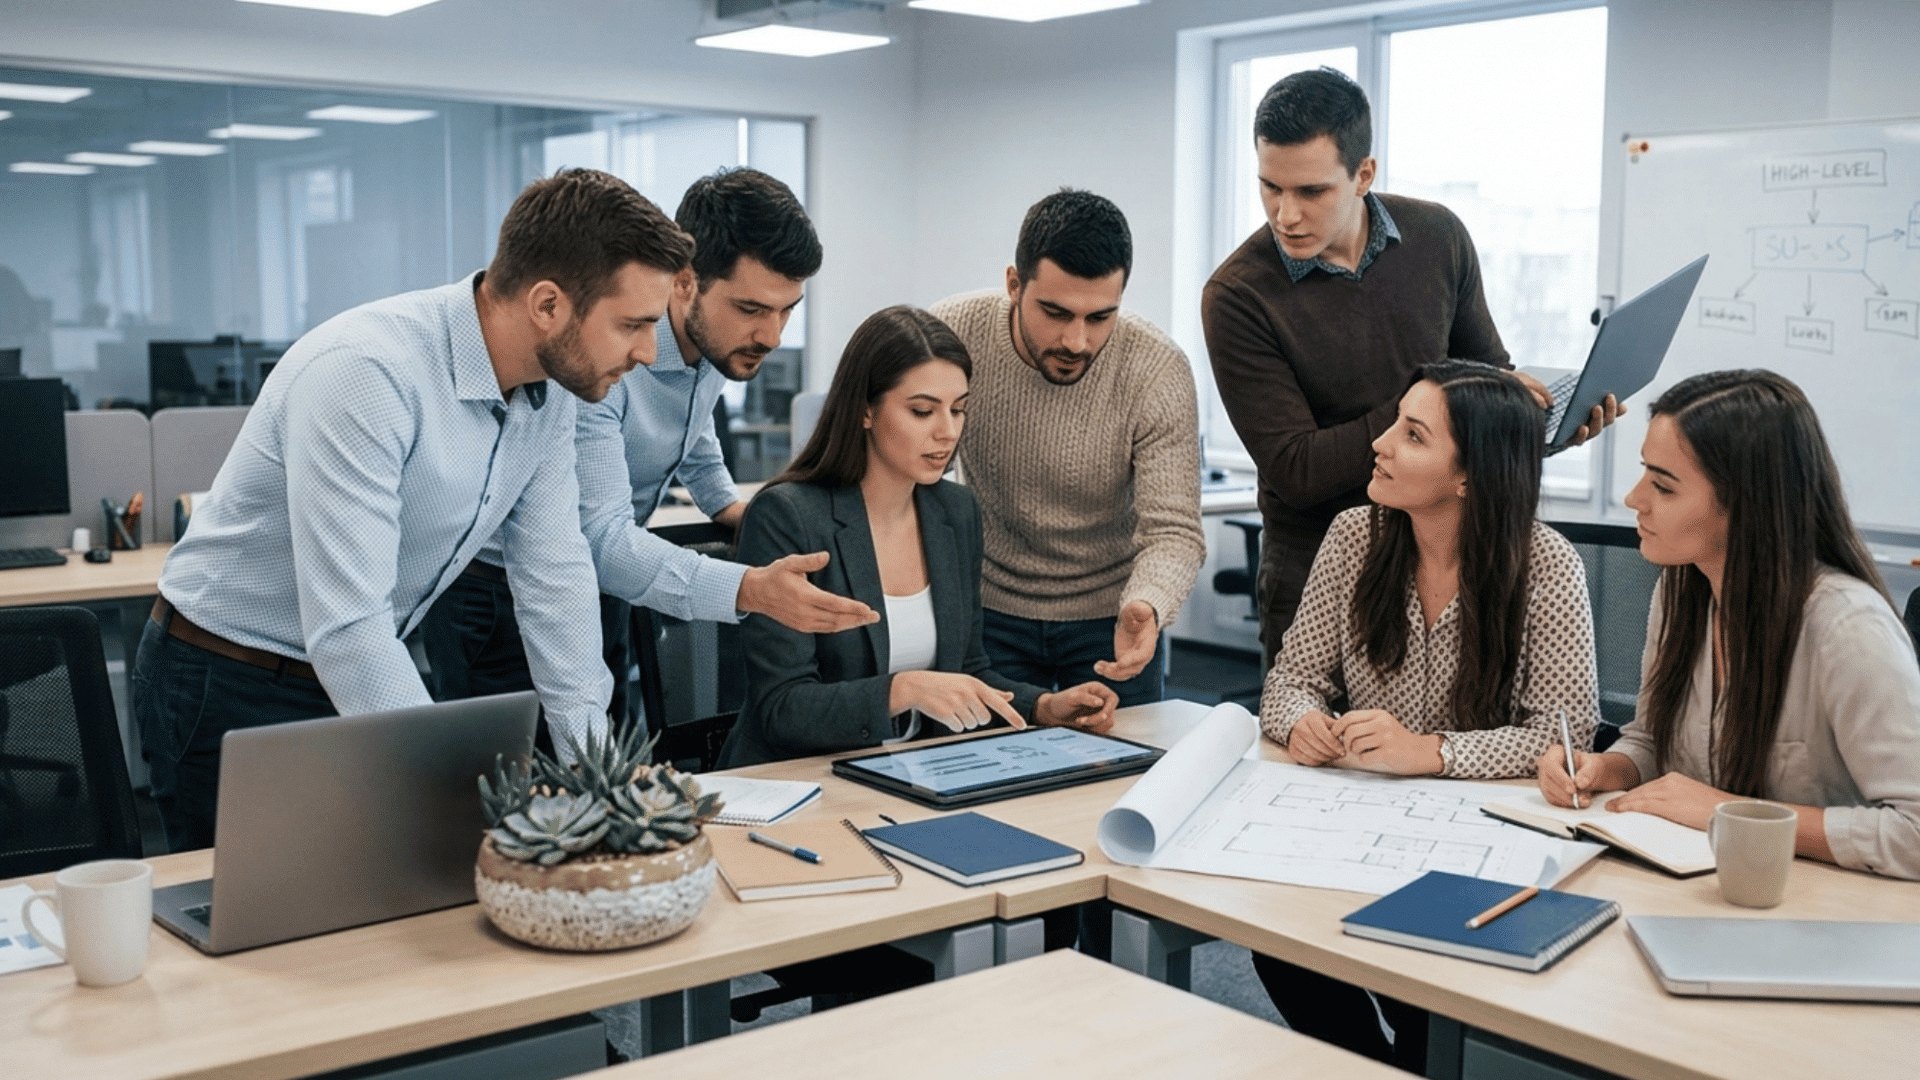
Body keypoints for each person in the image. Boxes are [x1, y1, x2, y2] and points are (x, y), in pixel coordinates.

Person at [132, 169, 688, 853]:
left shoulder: (552, 390)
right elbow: (349, 627)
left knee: (383, 916)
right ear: (548, 304)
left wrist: (597, 775)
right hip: (230, 676)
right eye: (632, 324)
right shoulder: (368, 373)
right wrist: (455, 795)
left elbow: (555, 575)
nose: (649, 353)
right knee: (252, 933)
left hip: (360, 667)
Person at [420, 167, 873, 733]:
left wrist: (726, 506)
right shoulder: (601, 361)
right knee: (512, 783)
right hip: (501, 594)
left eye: (787, 310)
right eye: (752, 309)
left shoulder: (715, 346)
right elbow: (600, 539)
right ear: (685, 283)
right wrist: (748, 588)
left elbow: (694, 432)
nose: (773, 337)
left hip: (606, 573)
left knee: (601, 752)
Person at [1201, 67, 1617, 666]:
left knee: (1438, 753)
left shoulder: (1437, 236)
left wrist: (1544, 426)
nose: (1284, 215)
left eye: (1310, 192)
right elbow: (1297, 470)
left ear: (1363, 174)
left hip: (1446, 559)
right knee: (1312, 751)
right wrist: (1426, 405)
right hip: (1320, 572)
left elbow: (1483, 390)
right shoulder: (1239, 295)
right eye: (1270, 187)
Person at [1252, 360, 1601, 1072]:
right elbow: (1291, 679)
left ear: (1469, 475)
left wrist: (1434, 752)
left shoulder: (1547, 564)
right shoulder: (1356, 536)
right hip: (1356, 821)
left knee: (1427, 1003)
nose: (1379, 443)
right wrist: (1300, 722)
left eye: (1411, 436)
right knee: (1281, 947)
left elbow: (1564, 734)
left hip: (1479, 843)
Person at [1538, 369, 1920, 881]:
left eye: (1663, 486)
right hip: (1699, 886)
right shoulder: (1680, 589)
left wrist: (1729, 814)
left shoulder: (1848, 628)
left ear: (1745, 506)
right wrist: (1606, 769)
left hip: (1823, 917)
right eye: (1644, 473)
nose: (1634, 498)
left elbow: (1914, 832)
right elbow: (1653, 741)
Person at [716, 305, 1119, 770]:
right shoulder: (788, 517)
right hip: (802, 781)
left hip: (913, 772)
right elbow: (782, 709)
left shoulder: (954, 511)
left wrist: (1042, 707)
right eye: (923, 410)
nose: (947, 432)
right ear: (866, 409)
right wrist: (902, 689)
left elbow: (967, 669)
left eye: (959, 409)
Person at [929, 190, 1203, 708]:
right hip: (988, 610)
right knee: (991, 769)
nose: (1076, 341)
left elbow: (1175, 530)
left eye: (1100, 317)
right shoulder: (953, 334)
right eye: (1055, 313)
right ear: (1014, 284)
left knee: (1121, 775)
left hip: (1113, 616)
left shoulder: (1156, 368)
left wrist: (1149, 602)